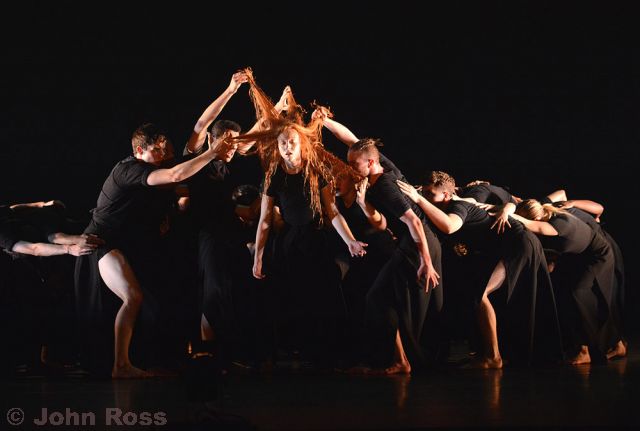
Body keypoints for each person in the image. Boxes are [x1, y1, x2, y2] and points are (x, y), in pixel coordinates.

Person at [76, 120, 236, 378]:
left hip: (128, 245)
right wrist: (211, 152)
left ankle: (153, 359)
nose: (163, 154)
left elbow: (184, 180)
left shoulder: (151, 172)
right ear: (140, 151)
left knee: (156, 298)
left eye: (164, 148)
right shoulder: (129, 169)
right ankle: (120, 365)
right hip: (101, 242)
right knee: (133, 296)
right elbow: (176, 175)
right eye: (157, 150)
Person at [233, 71, 367, 367]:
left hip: (316, 238)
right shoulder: (275, 176)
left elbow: (332, 212)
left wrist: (350, 241)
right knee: (291, 295)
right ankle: (294, 351)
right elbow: (264, 220)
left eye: (292, 142)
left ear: (301, 143)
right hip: (290, 241)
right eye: (283, 143)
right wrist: (258, 256)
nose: (287, 147)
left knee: (324, 294)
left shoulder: (315, 171)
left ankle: (329, 352)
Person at [315, 109, 441, 374]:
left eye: (354, 164)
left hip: (417, 243)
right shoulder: (381, 167)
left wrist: (426, 261)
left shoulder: (384, 185)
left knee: (378, 297)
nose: (350, 168)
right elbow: (351, 140)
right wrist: (324, 121)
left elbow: (415, 223)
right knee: (383, 298)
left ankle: (401, 360)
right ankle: (401, 360)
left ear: (370, 163)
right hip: (413, 243)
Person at [397, 172, 563, 367]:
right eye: (424, 193)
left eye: (430, 194)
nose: (426, 197)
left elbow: (450, 226)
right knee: (486, 294)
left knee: (480, 295)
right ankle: (500, 351)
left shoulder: (458, 206)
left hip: (519, 244)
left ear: (447, 195)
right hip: (515, 245)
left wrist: (418, 199)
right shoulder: (446, 206)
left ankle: (493, 357)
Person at [512, 199, 620, 364]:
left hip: (598, 256)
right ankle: (616, 344)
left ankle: (585, 350)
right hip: (579, 257)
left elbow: (535, 227)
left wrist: (508, 214)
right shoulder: (550, 215)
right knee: (564, 292)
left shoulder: (557, 224)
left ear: (537, 218)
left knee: (578, 294)